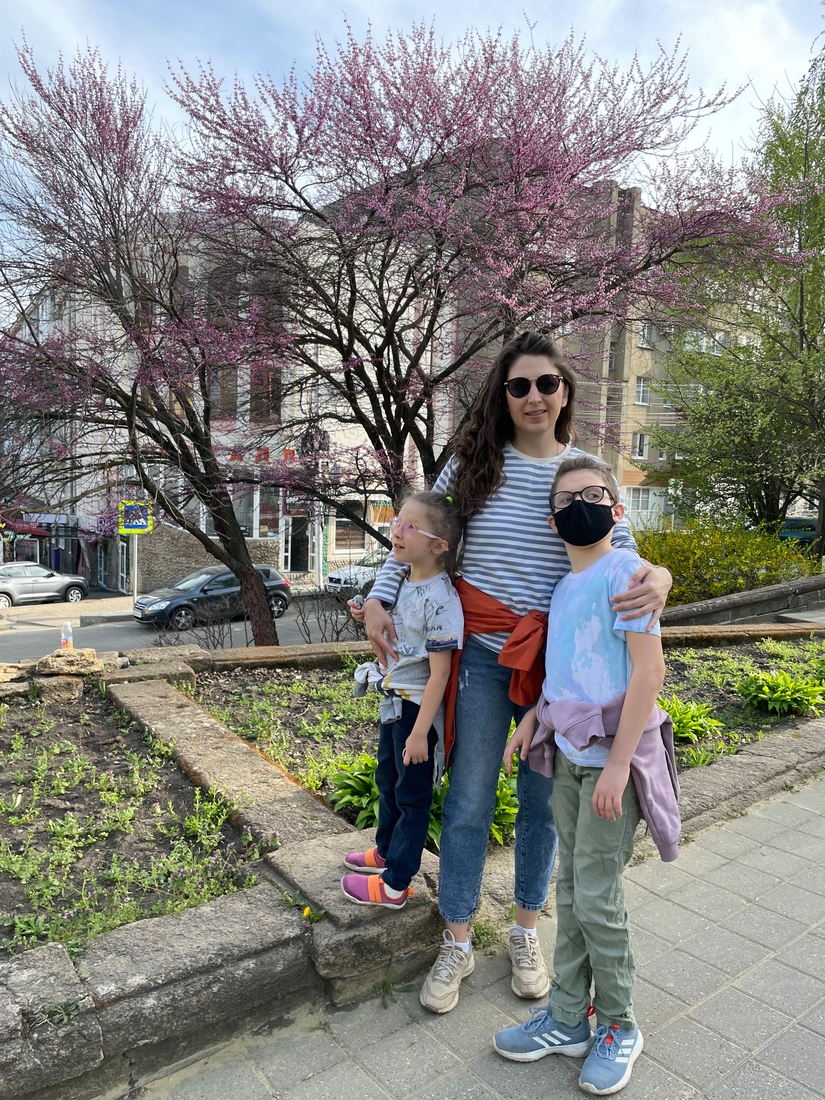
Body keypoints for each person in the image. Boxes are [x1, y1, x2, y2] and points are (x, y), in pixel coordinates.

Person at [355, 331, 672, 1013]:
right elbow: (416, 531)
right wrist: (381, 597)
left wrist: (663, 577)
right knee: (467, 798)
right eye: (519, 386)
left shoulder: (585, 467)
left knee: (539, 807)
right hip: (476, 657)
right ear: (503, 396)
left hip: (553, 668)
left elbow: (626, 553)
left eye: (546, 384)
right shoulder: (472, 463)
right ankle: (459, 940)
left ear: (565, 393)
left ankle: (525, 931)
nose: (534, 397)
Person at [493, 454, 678, 1097]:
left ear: (616, 509)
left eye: (594, 493)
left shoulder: (627, 574)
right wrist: (532, 720)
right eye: (567, 497)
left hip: (611, 765)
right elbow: (566, 672)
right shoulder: (566, 587)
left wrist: (620, 764)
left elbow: (647, 675)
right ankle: (570, 1016)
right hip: (568, 759)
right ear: (552, 521)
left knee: (597, 896)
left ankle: (619, 1024)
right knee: (569, 888)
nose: (580, 504)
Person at [341, 491, 463, 909]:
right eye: (397, 522)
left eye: (410, 527)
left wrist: (419, 733)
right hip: (394, 702)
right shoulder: (408, 582)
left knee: (413, 799)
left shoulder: (443, 600)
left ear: (438, 546)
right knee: (387, 782)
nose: (397, 530)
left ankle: (395, 885)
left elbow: (441, 673)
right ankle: (386, 851)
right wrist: (368, 610)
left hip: (417, 712)